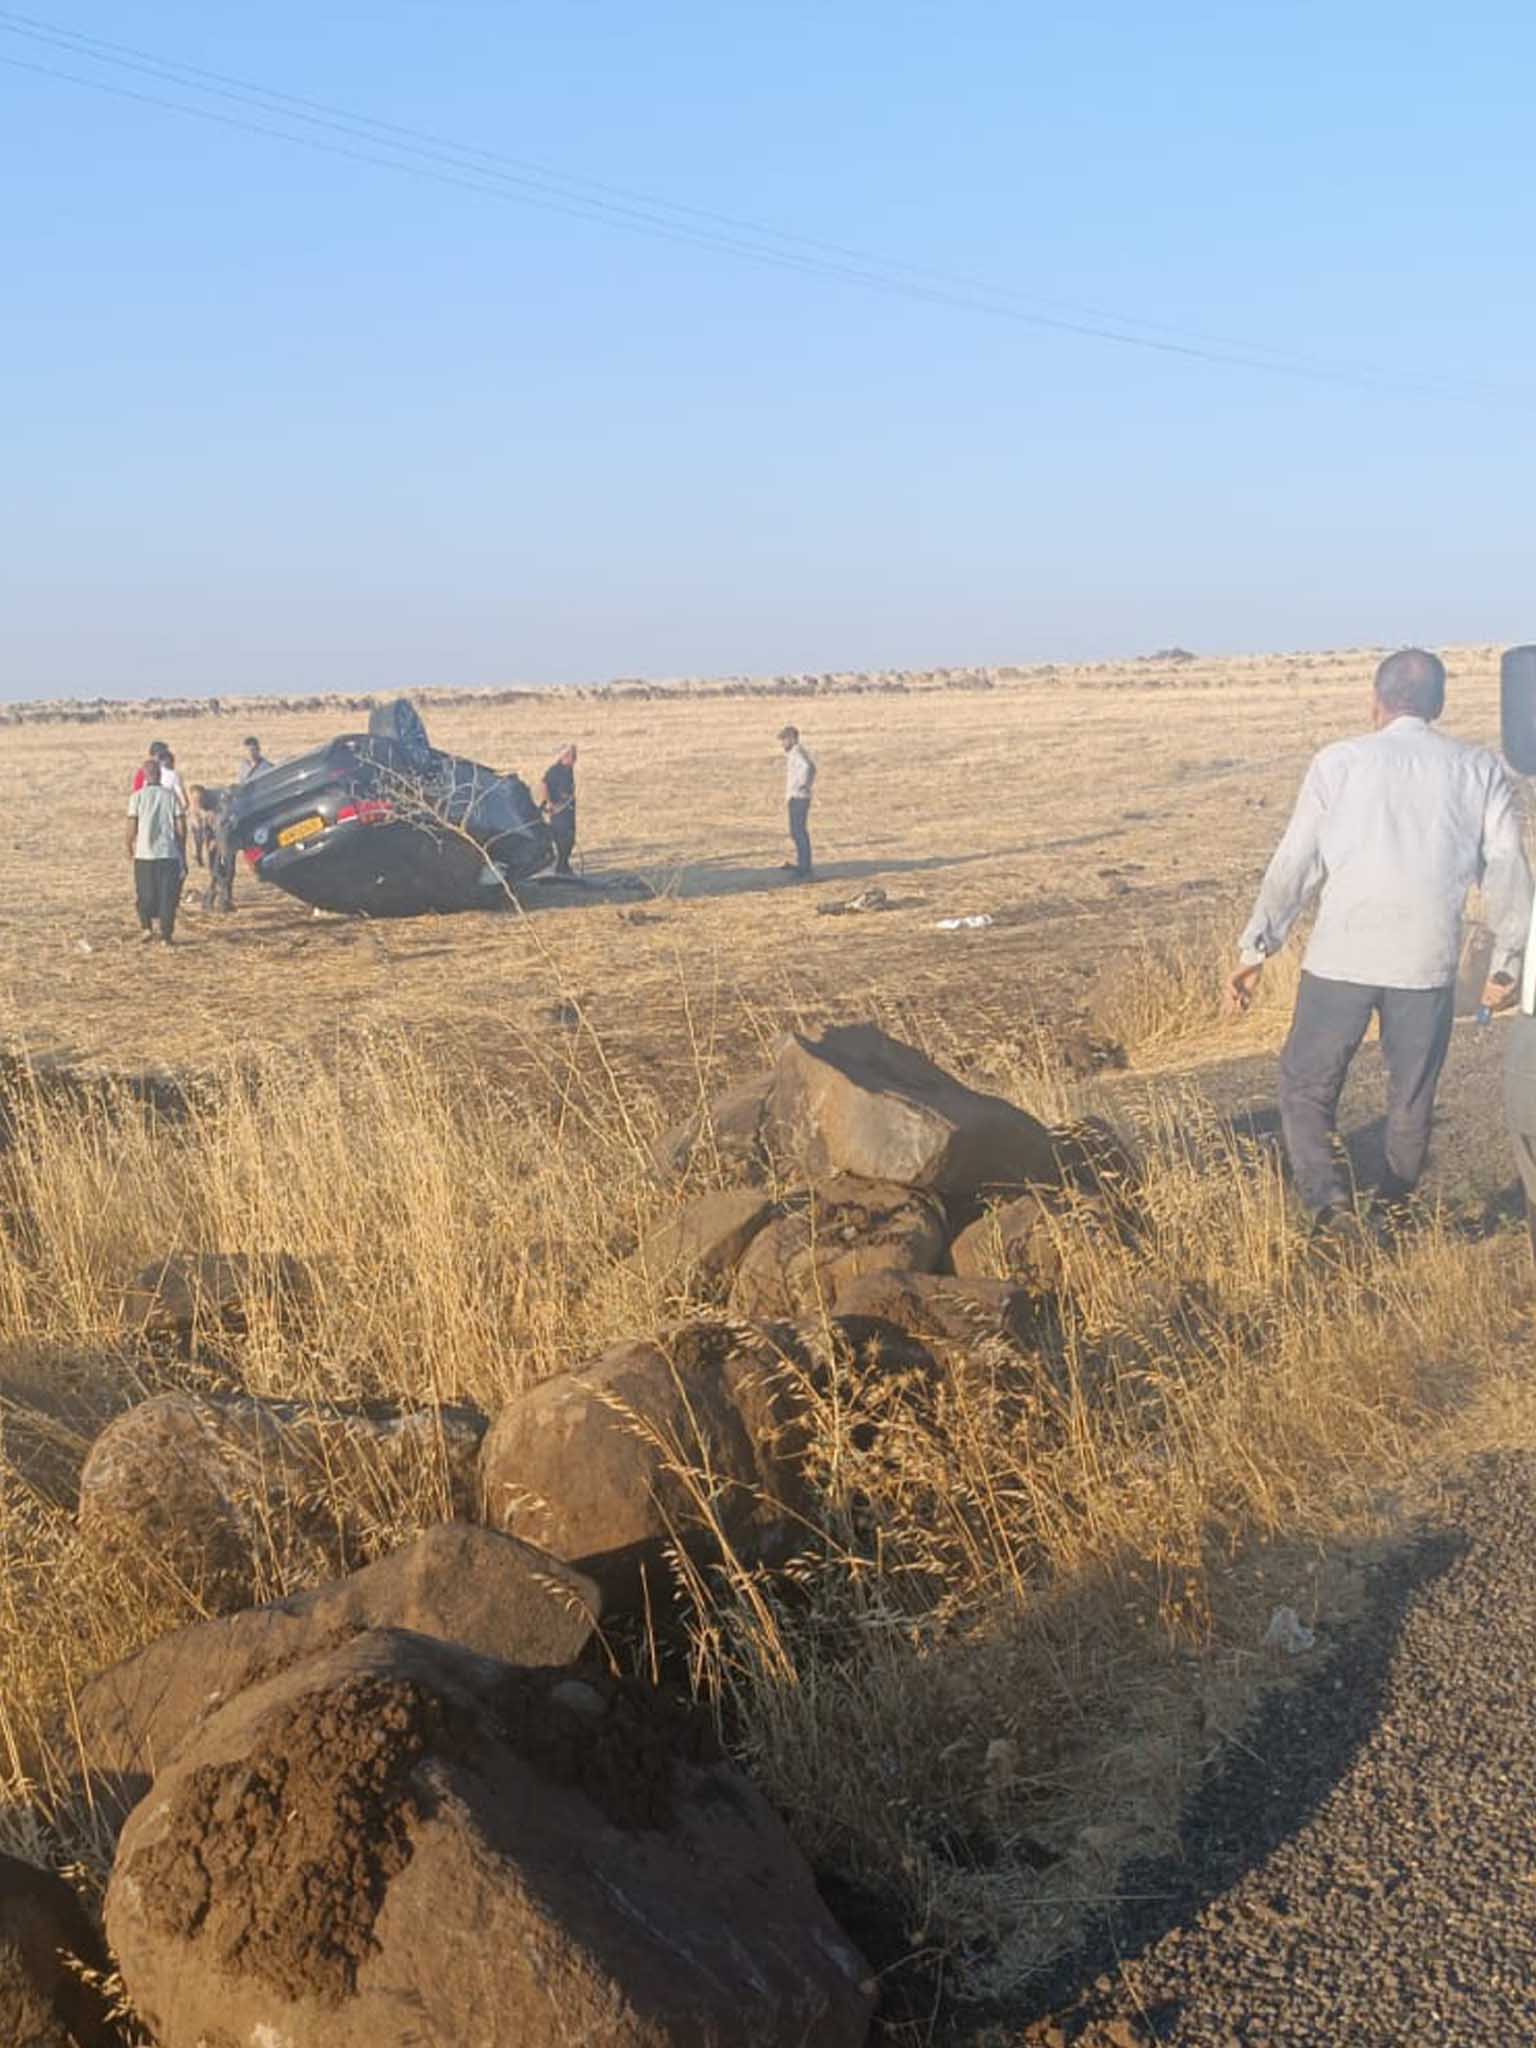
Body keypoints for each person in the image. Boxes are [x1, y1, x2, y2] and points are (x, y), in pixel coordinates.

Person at [1225, 648, 1531, 1226]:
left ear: (1376, 701)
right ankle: (1391, 1209)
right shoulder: (1478, 769)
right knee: (1412, 1095)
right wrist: (1508, 963)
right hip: (1425, 964)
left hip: (1341, 956)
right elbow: (1508, 867)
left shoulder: (1338, 763)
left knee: (1307, 1087)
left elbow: (1297, 863)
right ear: (1438, 705)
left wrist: (1256, 948)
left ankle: (1329, 1207)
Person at [125, 754, 187, 944]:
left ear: (145, 776)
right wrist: (182, 850)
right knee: (167, 895)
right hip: (167, 854)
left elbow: (131, 824)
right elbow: (181, 828)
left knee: (145, 893)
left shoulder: (137, 797)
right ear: (160, 775)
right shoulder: (170, 796)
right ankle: (166, 935)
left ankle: (146, 928)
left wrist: (128, 845)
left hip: (144, 854)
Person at [778, 724, 816, 879]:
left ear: (792, 739)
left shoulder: (797, 752)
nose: (782, 744)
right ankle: (803, 864)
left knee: (798, 832)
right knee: (797, 832)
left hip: (798, 797)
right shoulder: (796, 752)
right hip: (798, 796)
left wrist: (801, 785)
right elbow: (811, 768)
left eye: (784, 740)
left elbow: (808, 768)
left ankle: (804, 867)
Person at [538, 744, 578, 875]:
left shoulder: (568, 769)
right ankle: (560, 867)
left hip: (569, 810)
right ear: (564, 757)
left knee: (570, 839)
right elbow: (544, 784)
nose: (575, 759)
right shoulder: (555, 770)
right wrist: (549, 803)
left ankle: (564, 866)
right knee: (562, 839)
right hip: (559, 811)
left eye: (575, 755)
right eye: (572, 756)